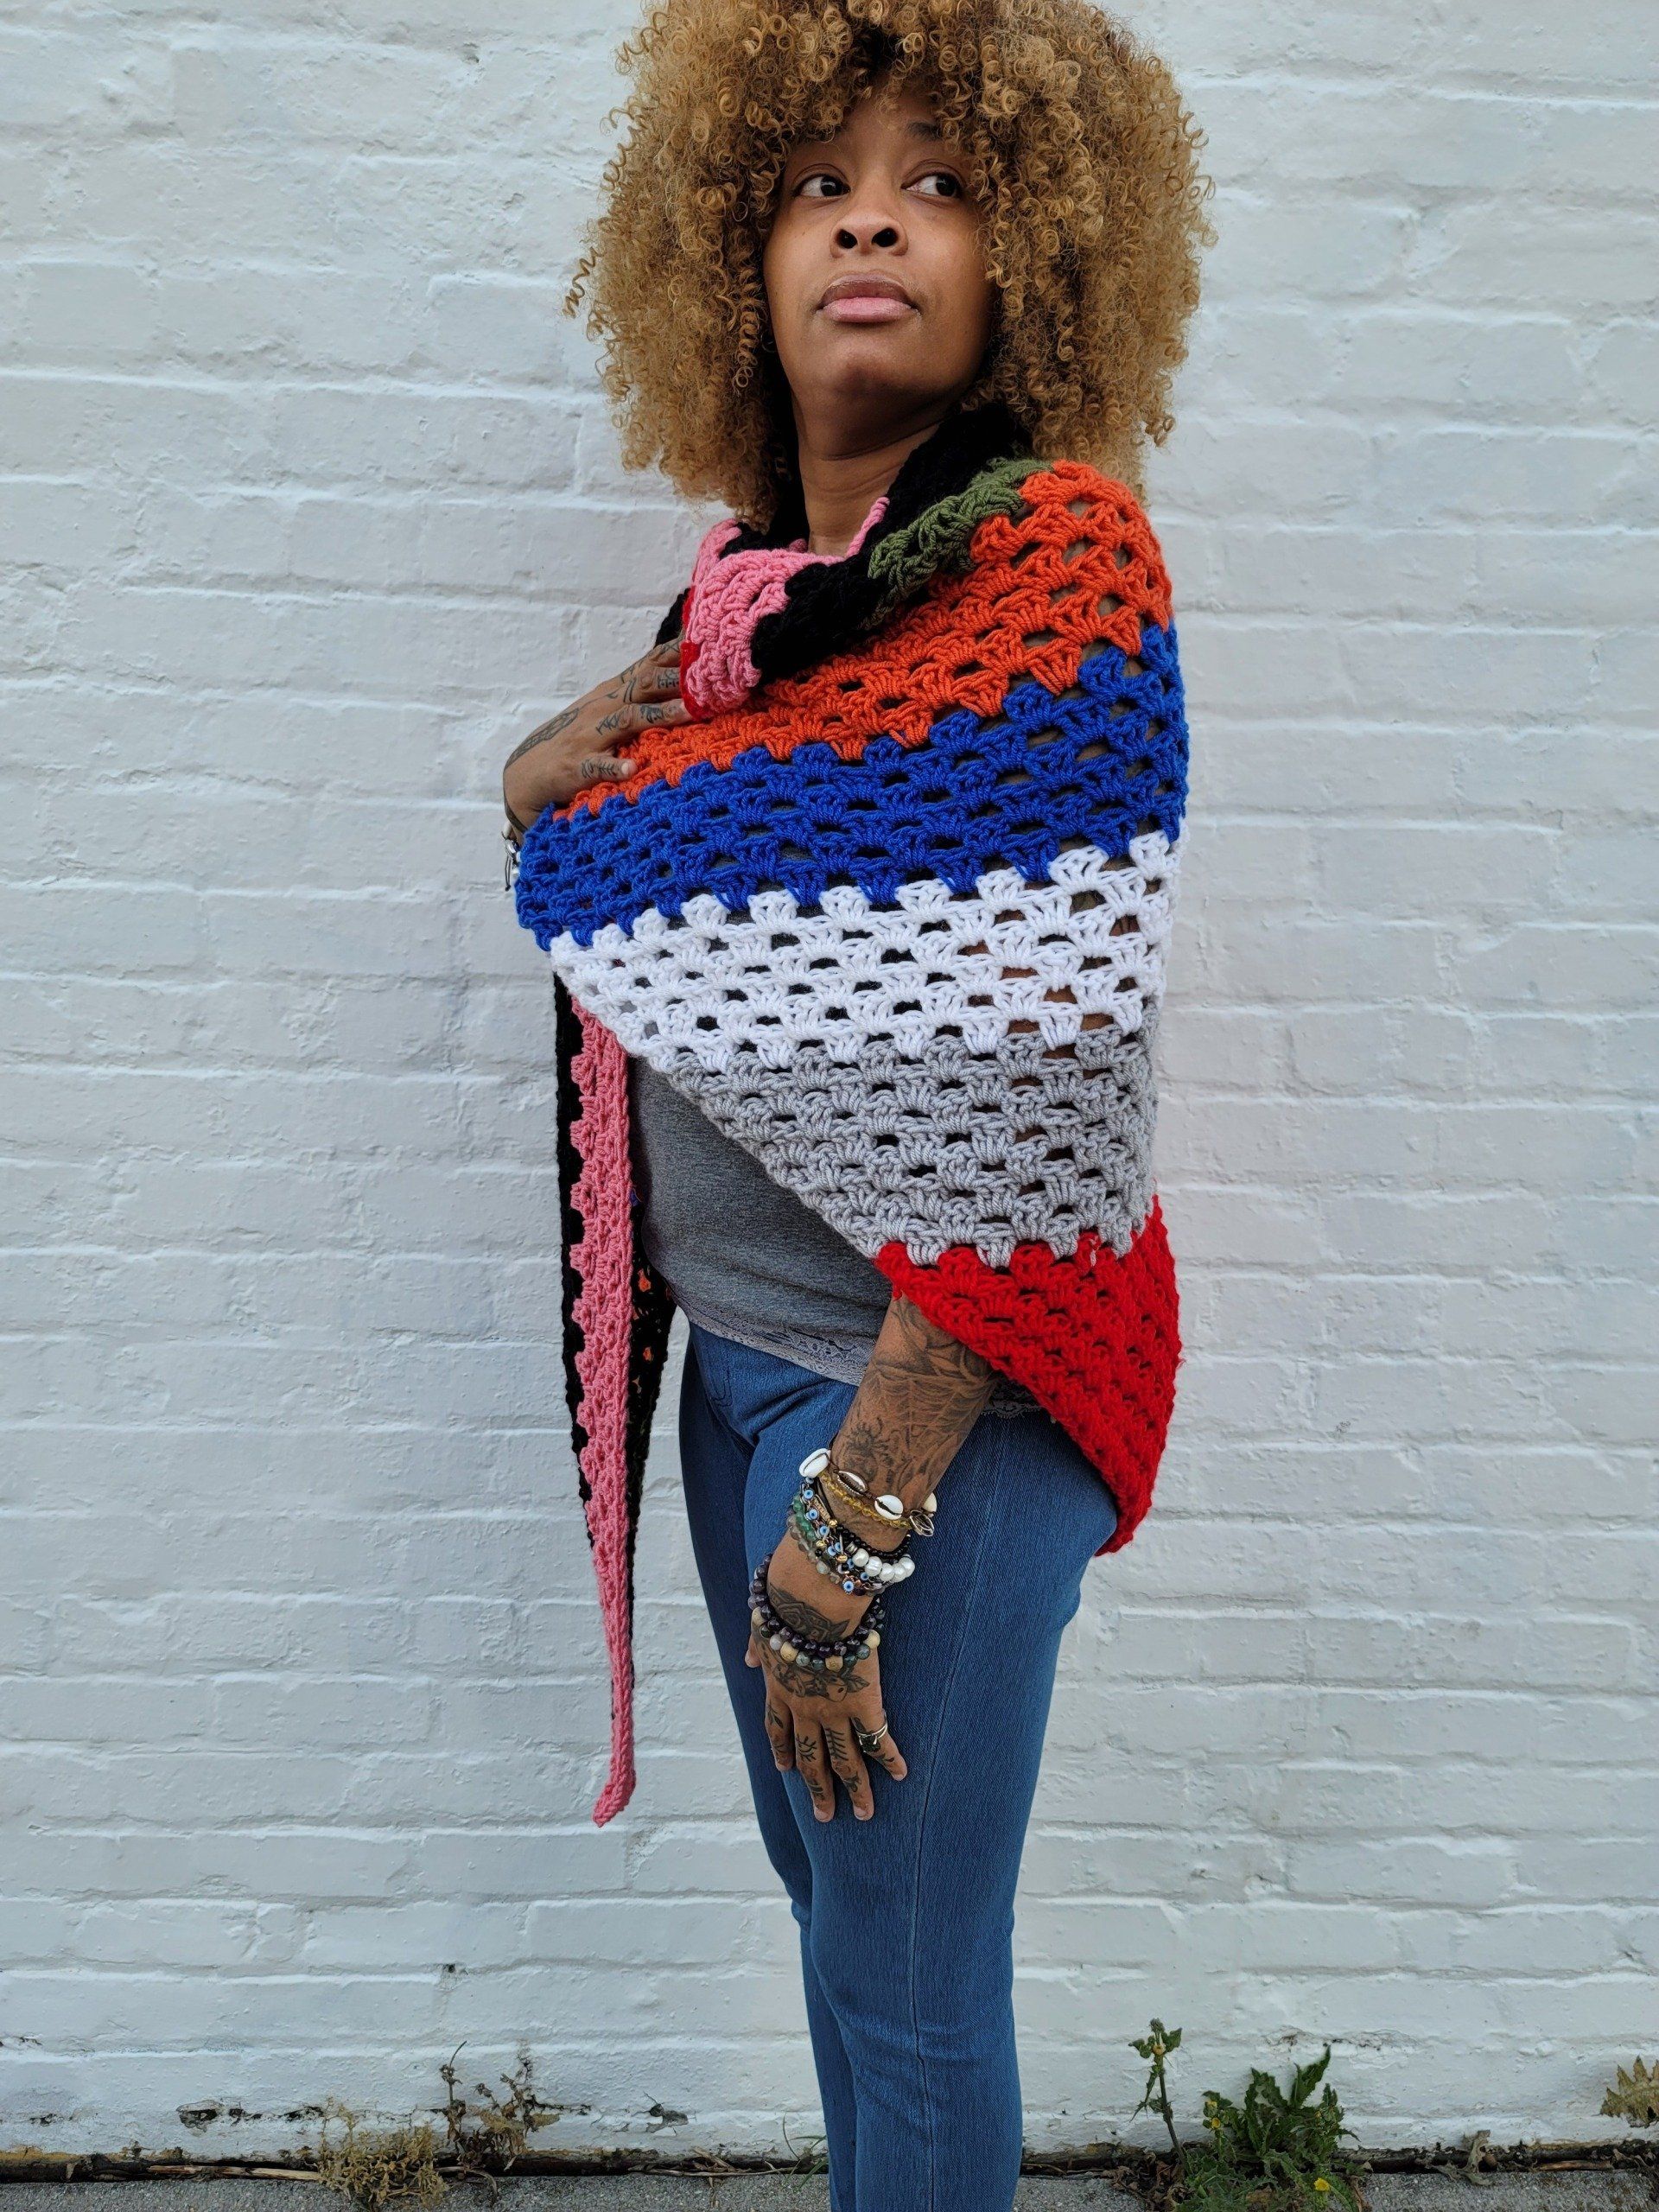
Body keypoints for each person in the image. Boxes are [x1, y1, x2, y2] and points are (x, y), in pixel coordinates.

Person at [500, 4, 1211, 2202]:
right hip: (741, 1394)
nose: (872, 217)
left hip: (920, 1413)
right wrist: (541, 796)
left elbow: (1042, 1117)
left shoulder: (1056, 576)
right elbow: (690, 948)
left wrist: (863, 1508)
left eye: (941, 177)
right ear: (732, 248)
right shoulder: (740, 616)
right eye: (817, 181)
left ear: (1036, 257)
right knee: (848, 1958)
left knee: (908, 1999)